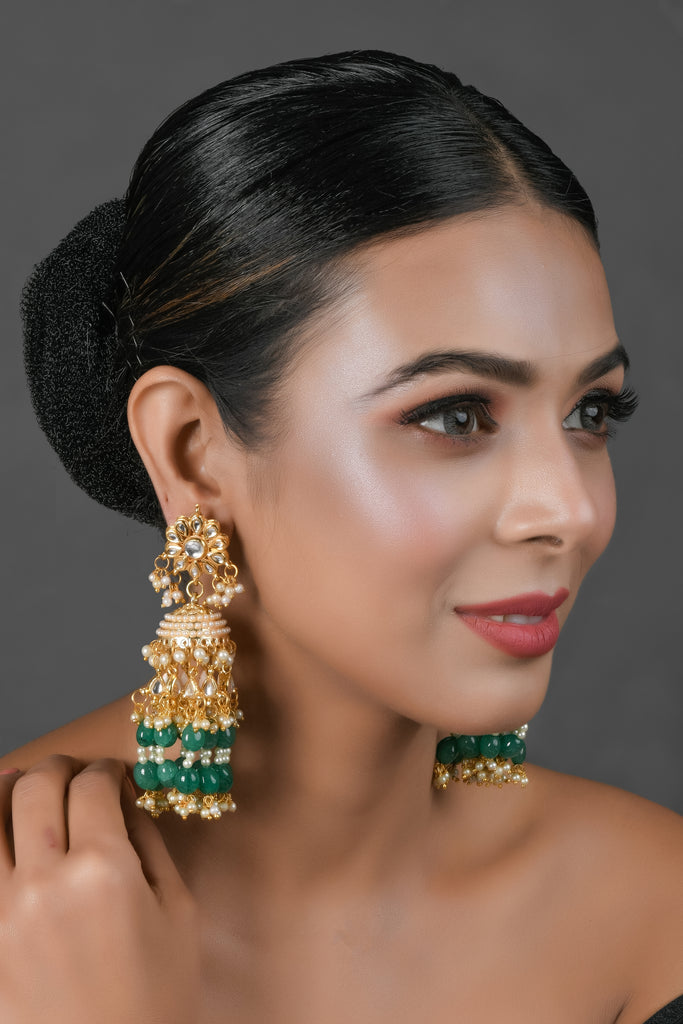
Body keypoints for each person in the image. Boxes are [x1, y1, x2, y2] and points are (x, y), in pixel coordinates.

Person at [3, 48, 682, 1024]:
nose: (569, 510)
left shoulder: (651, 915)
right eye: (455, 415)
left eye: (589, 413)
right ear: (193, 452)